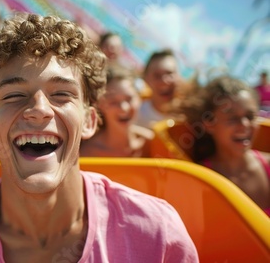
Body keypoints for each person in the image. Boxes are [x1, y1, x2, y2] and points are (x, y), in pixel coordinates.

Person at [0, 13, 198, 262]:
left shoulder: (158, 235)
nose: (38, 110)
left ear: (89, 121)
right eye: (14, 96)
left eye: (61, 94)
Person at [174, 75, 270, 216]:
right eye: (233, 118)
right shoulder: (199, 179)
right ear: (209, 124)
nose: (244, 125)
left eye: (250, 116)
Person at [80, 67, 153, 157]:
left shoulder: (152, 143)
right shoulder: (86, 153)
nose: (124, 108)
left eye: (129, 99)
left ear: (139, 98)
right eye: (113, 102)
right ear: (100, 105)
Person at [135, 49, 184, 129]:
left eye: (169, 73)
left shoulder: (191, 115)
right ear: (146, 79)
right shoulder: (135, 114)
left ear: (179, 76)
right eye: (157, 75)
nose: (164, 80)